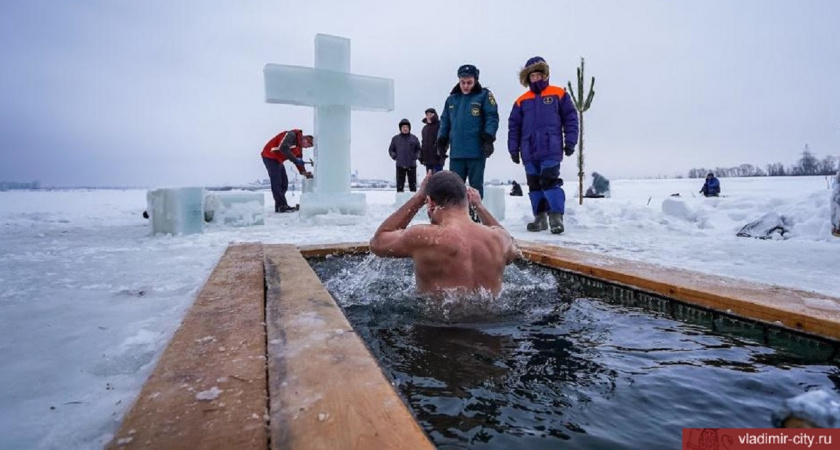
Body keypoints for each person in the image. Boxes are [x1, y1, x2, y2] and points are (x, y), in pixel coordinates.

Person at [369, 170, 518, 298]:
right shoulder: (499, 238)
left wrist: (418, 198)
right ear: (468, 199)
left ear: (430, 203)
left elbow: (378, 242)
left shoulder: (424, 237)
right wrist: (479, 207)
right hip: (492, 329)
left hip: (437, 329)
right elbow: (513, 248)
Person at [507, 56, 579, 234]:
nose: (536, 78)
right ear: (528, 78)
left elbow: (571, 118)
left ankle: (556, 218)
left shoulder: (558, 94)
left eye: (539, 75)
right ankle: (540, 219)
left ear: (545, 75)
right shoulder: (521, 101)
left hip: (551, 147)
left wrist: (570, 141)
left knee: (549, 181)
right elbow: (513, 126)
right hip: (529, 150)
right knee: (534, 185)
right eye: (532, 76)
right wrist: (513, 149)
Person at [436, 64, 500, 199]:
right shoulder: (451, 99)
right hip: (456, 152)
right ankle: (457, 217)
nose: (465, 86)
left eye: (469, 82)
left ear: (475, 80)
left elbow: (492, 117)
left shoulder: (484, 96)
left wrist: (489, 138)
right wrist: (442, 140)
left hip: (476, 150)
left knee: (475, 188)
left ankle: (474, 216)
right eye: (462, 82)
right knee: (455, 189)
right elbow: (445, 121)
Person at [261, 129, 314, 213]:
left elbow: (299, 160)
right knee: (277, 182)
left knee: (284, 183)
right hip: (269, 156)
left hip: (278, 160)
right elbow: (283, 148)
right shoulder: (292, 135)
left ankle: (280, 206)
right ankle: (282, 206)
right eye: (309, 144)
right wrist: (295, 160)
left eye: (309, 146)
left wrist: (304, 172)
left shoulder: (299, 148)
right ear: (305, 138)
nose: (307, 147)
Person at [388, 118, 421, 192]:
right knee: (400, 187)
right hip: (400, 166)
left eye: (407, 127)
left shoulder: (414, 138)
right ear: (400, 128)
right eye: (403, 127)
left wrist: (416, 156)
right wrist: (395, 156)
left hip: (411, 165)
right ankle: (400, 202)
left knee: (413, 187)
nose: (405, 129)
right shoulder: (395, 139)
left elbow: (419, 149)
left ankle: (413, 202)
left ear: (409, 128)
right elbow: (391, 150)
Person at [419, 108, 445, 173]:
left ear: (435, 115)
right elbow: (423, 143)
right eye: (427, 115)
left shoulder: (440, 126)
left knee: (438, 179)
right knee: (430, 180)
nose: (429, 116)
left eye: (430, 114)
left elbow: (445, 140)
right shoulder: (425, 129)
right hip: (427, 160)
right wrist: (421, 156)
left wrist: (441, 151)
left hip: (437, 159)